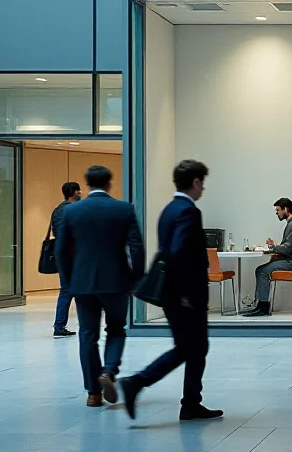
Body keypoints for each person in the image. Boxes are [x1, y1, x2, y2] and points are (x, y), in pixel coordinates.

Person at [119, 160, 223, 421]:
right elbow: (179, 252)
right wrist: (187, 294)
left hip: (171, 292)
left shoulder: (169, 209)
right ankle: (138, 382)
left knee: (195, 347)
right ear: (196, 182)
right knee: (190, 347)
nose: (203, 189)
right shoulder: (189, 211)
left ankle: (191, 403)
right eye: (202, 183)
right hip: (184, 294)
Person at [54, 167, 144, 407]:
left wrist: (70, 280)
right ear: (108, 184)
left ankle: (93, 393)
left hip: (83, 283)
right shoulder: (124, 209)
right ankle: (109, 371)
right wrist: (136, 280)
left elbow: (60, 250)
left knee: (87, 334)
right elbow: (136, 247)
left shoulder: (72, 211)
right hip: (116, 282)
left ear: (88, 185)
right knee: (116, 329)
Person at [241, 197, 292, 317]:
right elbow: (288, 247)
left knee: (262, 271)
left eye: (278, 210)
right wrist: (275, 246)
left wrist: (272, 247)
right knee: (260, 270)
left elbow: (287, 249)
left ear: (286, 209)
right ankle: (260, 305)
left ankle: (263, 307)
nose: (277, 213)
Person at [50, 181, 82, 338]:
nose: (81, 193)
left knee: (65, 291)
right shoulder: (74, 210)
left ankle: (59, 325)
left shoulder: (57, 210)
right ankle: (85, 323)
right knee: (81, 290)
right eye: (79, 190)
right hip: (74, 255)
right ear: (74, 193)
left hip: (61, 255)